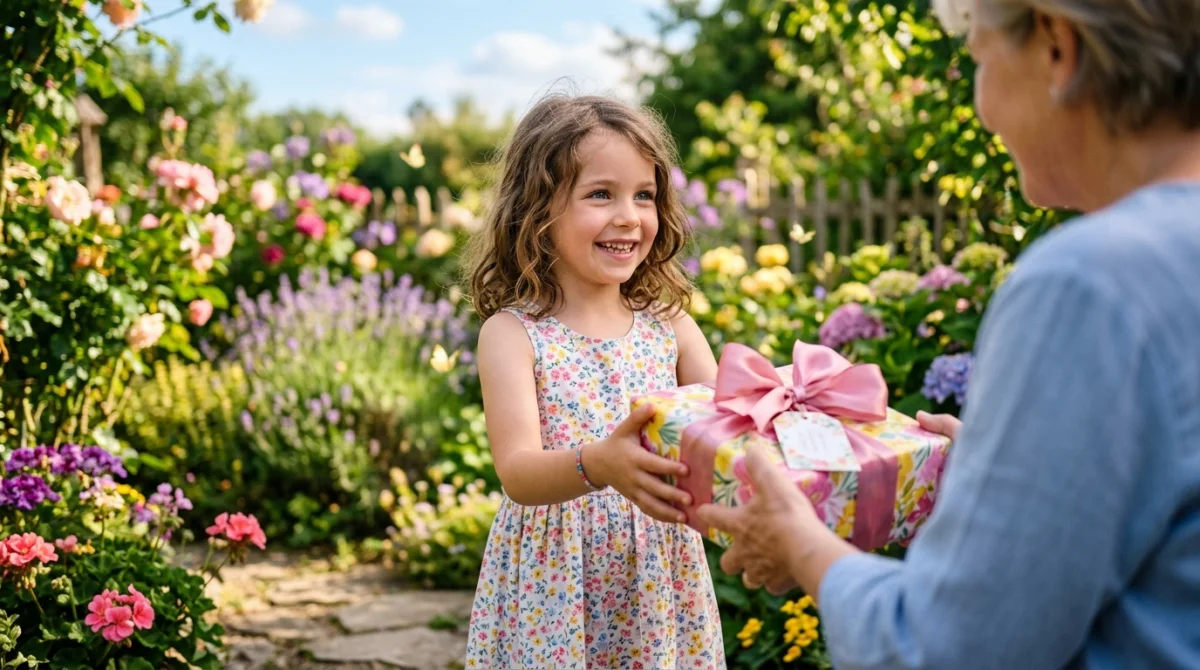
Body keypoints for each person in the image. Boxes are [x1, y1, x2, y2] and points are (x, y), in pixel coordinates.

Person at [698, 0, 1200, 667]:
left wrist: (799, 543)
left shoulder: (1089, 284)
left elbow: (946, 647)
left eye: (978, 55)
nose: (981, 101)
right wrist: (1014, 482)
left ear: (1057, 46)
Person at [461, 93, 724, 668]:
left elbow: (726, 425)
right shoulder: (513, 335)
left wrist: (786, 400)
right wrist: (598, 464)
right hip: (555, 590)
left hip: (656, 578)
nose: (629, 215)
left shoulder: (669, 326)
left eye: (645, 195)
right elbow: (519, 473)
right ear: (537, 210)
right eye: (600, 194)